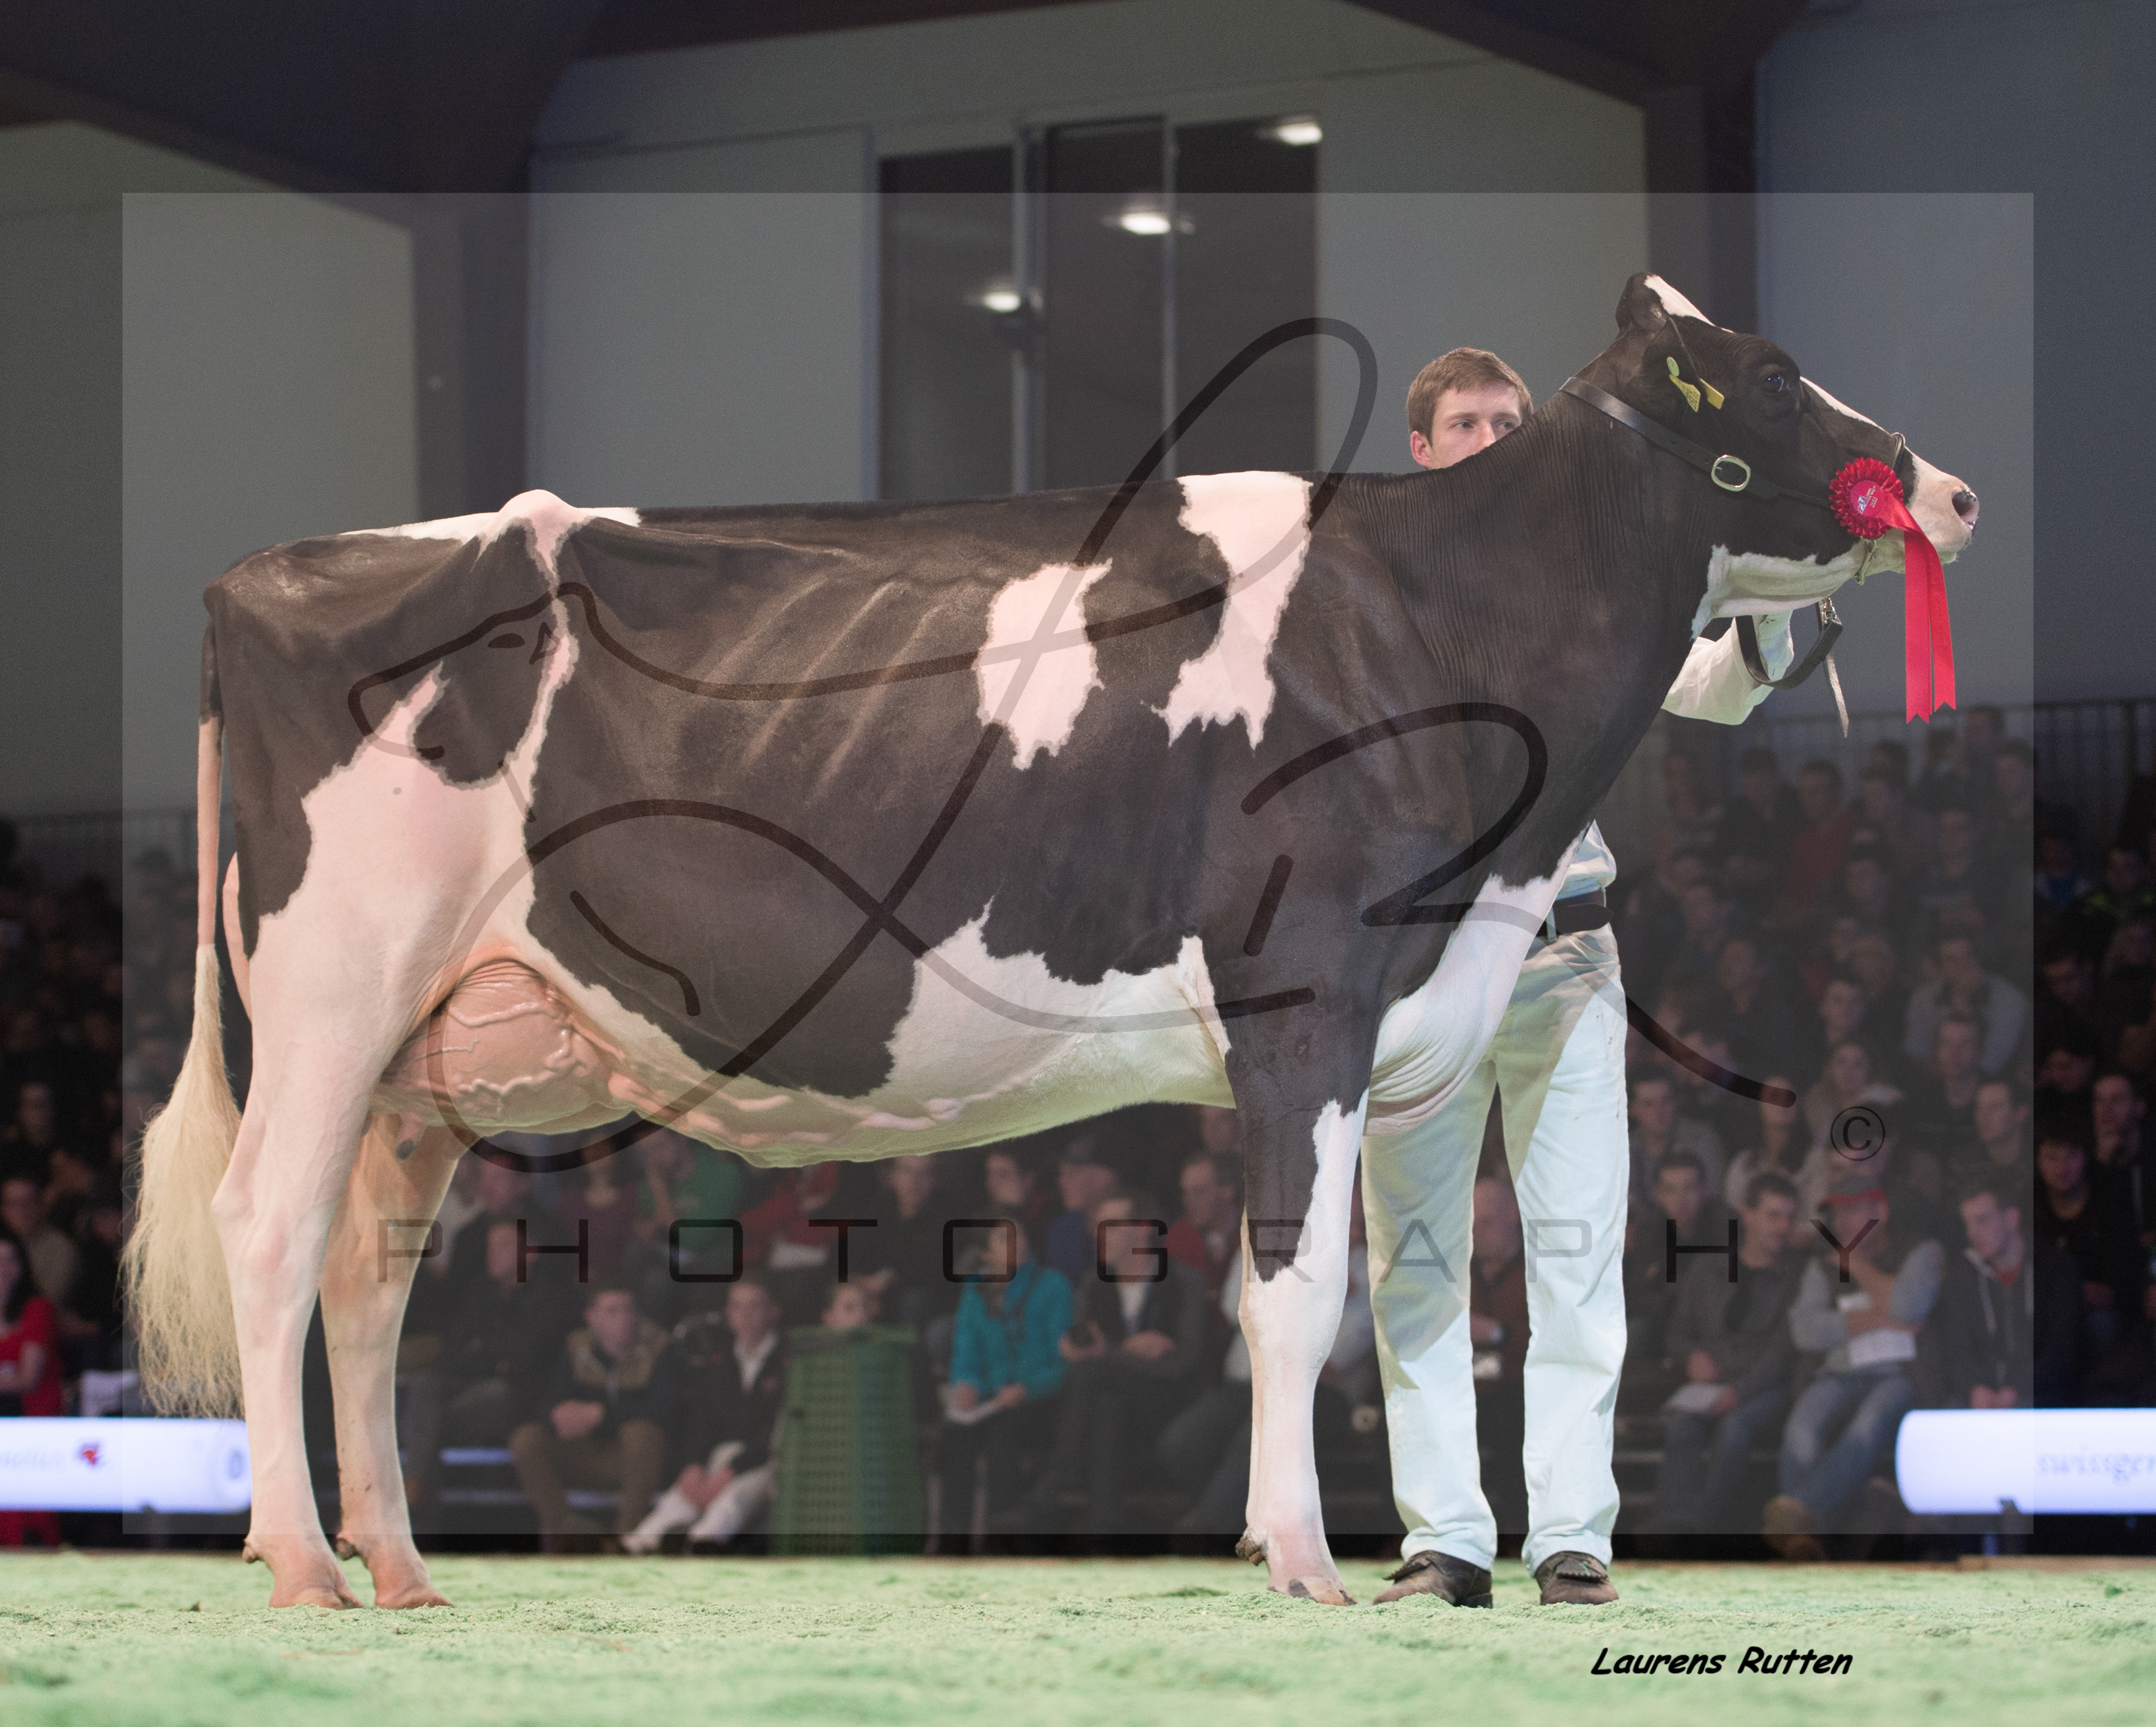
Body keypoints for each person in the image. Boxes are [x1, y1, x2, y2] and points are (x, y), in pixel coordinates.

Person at [1370, 344, 1803, 1612]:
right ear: (1422, 450)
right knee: (1414, 1255)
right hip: (1419, 961)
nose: (1494, 436)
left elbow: (1719, 690)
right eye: (1467, 422)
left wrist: (1778, 587)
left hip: (1565, 954)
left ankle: (1569, 1538)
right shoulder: (1377, 591)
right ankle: (1443, 1540)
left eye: (1510, 417)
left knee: (1573, 1245)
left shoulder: (1599, 578)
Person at [1001, 1192, 1207, 1540]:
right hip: (1112, 1406)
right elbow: (1085, 1351)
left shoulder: (1184, 1282)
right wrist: (1107, 1351)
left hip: (1168, 1406)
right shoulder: (1094, 1285)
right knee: (1106, 1407)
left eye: (1110, 1227)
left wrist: (1109, 1352)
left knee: (1095, 1376)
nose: (1100, 1236)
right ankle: (1105, 1530)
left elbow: (1181, 1366)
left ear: (1142, 1230)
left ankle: (1056, 1483)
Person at [1765, 1185, 1942, 1557]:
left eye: (1853, 1210)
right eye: (1838, 1212)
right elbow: (1805, 1330)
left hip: (1898, 1374)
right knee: (1801, 1427)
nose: (1843, 1221)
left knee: (1867, 1426)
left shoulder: (1922, 1251)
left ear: (1881, 1211)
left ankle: (1796, 1525)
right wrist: (1878, 1317)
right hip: (1837, 1373)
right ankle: (1806, 1540)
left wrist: (1855, 1265)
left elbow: (1909, 1307)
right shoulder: (1821, 1264)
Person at [1650, 1172, 1804, 1534]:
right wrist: (1691, 1357)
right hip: (1711, 1381)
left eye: (1789, 1218)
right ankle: (1673, 1524)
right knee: (1682, 1423)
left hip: (1764, 1387)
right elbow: (1678, 1332)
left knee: (1735, 1428)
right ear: (1747, 1215)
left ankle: (1702, 1528)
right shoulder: (1710, 1268)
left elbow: (1782, 1354)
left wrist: (1739, 1392)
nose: (1783, 1227)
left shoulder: (1796, 1276)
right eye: (1773, 1216)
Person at [401, 1216, 579, 1515]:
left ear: (530, 1253)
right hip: (468, 1393)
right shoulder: (479, 1293)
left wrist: (482, 1350)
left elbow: (525, 1360)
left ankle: (415, 1490)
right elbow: (451, 1355)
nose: (493, 1253)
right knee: (424, 1385)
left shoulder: (552, 1298)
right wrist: (493, 1358)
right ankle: (416, 1486)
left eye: (504, 1245)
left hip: (522, 1401)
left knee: (439, 1412)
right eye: (490, 1245)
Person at [623, 1274, 788, 1554]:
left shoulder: (789, 1360)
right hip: (723, 1458)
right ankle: (637, 1548)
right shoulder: (718, 1358)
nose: (745, 1316)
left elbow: (775, 1432)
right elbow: (703, 1420)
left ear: (774, 1311)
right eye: (737, 1306)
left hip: (767, 1461)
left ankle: (699, 1551)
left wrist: (730, 1472)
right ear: (728, 1313)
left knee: (728, 1504)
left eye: (754, 1306)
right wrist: (694, 1464)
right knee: (680, 1497)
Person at [508, 1281, 679, 1551]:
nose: (624, 1318)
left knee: (641, 1433)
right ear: (592, 1317)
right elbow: (548, 1404)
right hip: (584, 1452)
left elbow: (665, 1410)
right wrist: (561, 1415)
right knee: (526, 1439)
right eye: (613, 1311)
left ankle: (624, 1541)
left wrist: (601, 1414)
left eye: (629, 1309)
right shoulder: (576, 1346)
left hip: (634, 1459)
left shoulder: (659, 1346)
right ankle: (568, 1531)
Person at [933, 1219, 1070, 1548]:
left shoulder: (1053, 1286)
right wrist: (966, 1384)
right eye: (1003, 1238)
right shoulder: (975, 1290)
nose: (1016, 1242)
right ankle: (952, 1538)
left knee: (1002, 1431)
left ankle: (1002, 1533)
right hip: (992, 1398)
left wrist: (1027, 1388)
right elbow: (966, 1349)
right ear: (985, 1253)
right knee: (956, 1434)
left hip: (1040, 1398)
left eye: (1020, 1233)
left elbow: (1064, 1359)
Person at [0, 1230, 64, 1547]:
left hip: (33, 1421)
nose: (4, 1268)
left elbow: (28, 1378)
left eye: (11, 1259)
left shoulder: (37, 1309)